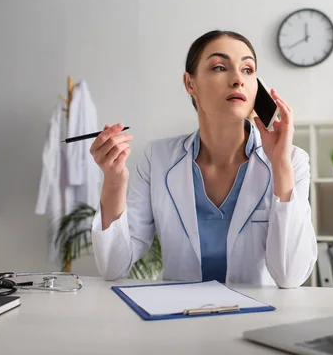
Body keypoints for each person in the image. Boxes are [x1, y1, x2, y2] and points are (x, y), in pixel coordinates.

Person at [89, 30, 317, 288]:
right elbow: (113, 267)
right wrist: (114, 182)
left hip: (256, 320)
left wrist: (280, 166)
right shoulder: (158, 158)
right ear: (190, 84)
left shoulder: (292, 161)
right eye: (220, 67)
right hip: (178, 318)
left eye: (247, 70)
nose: (237, 80)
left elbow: (290, 278)